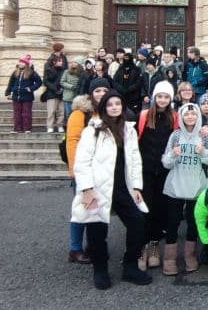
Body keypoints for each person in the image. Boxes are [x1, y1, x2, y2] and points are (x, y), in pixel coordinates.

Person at [71, 90, 152, 290]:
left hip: (122, 187)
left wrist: (136, 186)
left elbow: (135, 160)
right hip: (98, 187)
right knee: (97, 230)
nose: (114, 107)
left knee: (137, 222)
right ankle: (100, 269)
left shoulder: (129, 130)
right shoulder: (93, 130)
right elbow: (82, 162)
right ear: (103, 107)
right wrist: (86, 189)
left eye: (117, 103)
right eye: (110, 104)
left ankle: (130, 265)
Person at [161, 103, 208, 275]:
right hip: (175, 186)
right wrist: (172, 154)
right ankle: (169, 259)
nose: (190, 117)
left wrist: (203, 152)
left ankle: (190, 256)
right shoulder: (175, 136)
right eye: (186, 114)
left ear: (198, 116)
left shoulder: (204, 136)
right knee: (172, 222)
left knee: (193, 221)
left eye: (193, 114)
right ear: (181, 117)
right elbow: (166, 162)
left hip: (196, 186)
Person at [65, 77, 111, 264]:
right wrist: (75, 171)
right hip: (83, 169)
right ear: (91, 93)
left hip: (102, 170)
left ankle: (93, 245)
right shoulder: (80, 113)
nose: (101, 94)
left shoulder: (108, 111)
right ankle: (75, 249)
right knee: (80, 209)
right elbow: (72, 142)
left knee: (98, 208)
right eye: (97, 90)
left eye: (104, 90)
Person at [135, 81, 176, 272]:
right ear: (154, 97)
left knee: (160, 209)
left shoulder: (174, 117)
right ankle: (141, 246)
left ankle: (154, 245)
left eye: (166, 97)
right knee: (145, 208)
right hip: (145, 170)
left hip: (164, 171)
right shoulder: (144, 116)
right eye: (159, 96)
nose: (162, 100)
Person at [4, 54, 41, 133]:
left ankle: (27, 128)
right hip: (16, 96)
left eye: (22, 62)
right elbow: (10, 83)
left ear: (26, 64)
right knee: (17, 113)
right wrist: (8, 93)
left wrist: (31, 88)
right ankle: (17, 128)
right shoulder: (15, 72)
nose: (20, 63)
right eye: (20, 62)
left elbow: (39, 82)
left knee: (26, 113)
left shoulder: (31, 73)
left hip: (27, 96)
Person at [42, 54, 66, 133]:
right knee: (51, 111)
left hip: (61, 93)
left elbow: (65, 80)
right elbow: (45, 81)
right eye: (59, 61)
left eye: (61, 61)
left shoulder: (63, 70)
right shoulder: (48, 70)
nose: (61, 62)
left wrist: (62, 88)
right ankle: (50, 126)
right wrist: (54, 88)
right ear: (54, 62)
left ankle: (60, 125)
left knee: (61, 111)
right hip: (51, 93)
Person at [113, 52, 143, 117]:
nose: (126, 59)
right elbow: (115, 81)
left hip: (133, 97)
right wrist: (121, 88)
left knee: (132, 114)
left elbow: (139, 82)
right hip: (121, 95)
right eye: (125, 58)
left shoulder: (136, 69)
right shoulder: (120, 68)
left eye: (128, 58)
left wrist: (130, 88)